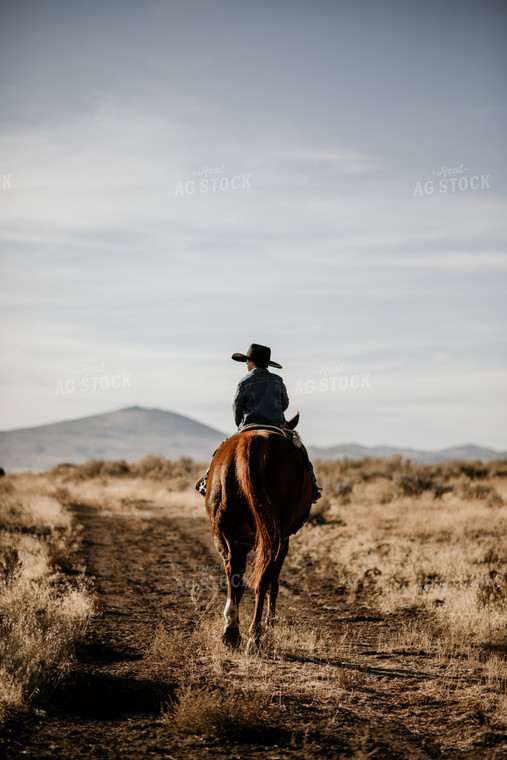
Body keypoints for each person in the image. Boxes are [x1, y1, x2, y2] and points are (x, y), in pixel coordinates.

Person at [195, 343, 321, 501]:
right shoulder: (277, 380)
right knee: (301, 450)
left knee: (221, 450)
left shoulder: (244, 382)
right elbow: (285, 404)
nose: (246, 364)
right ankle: (313, 487)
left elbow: (237, 408)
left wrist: (240, 425)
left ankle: (206, 482)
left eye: (247, 361)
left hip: (249, 425)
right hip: (277, 427)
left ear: (251, 362)